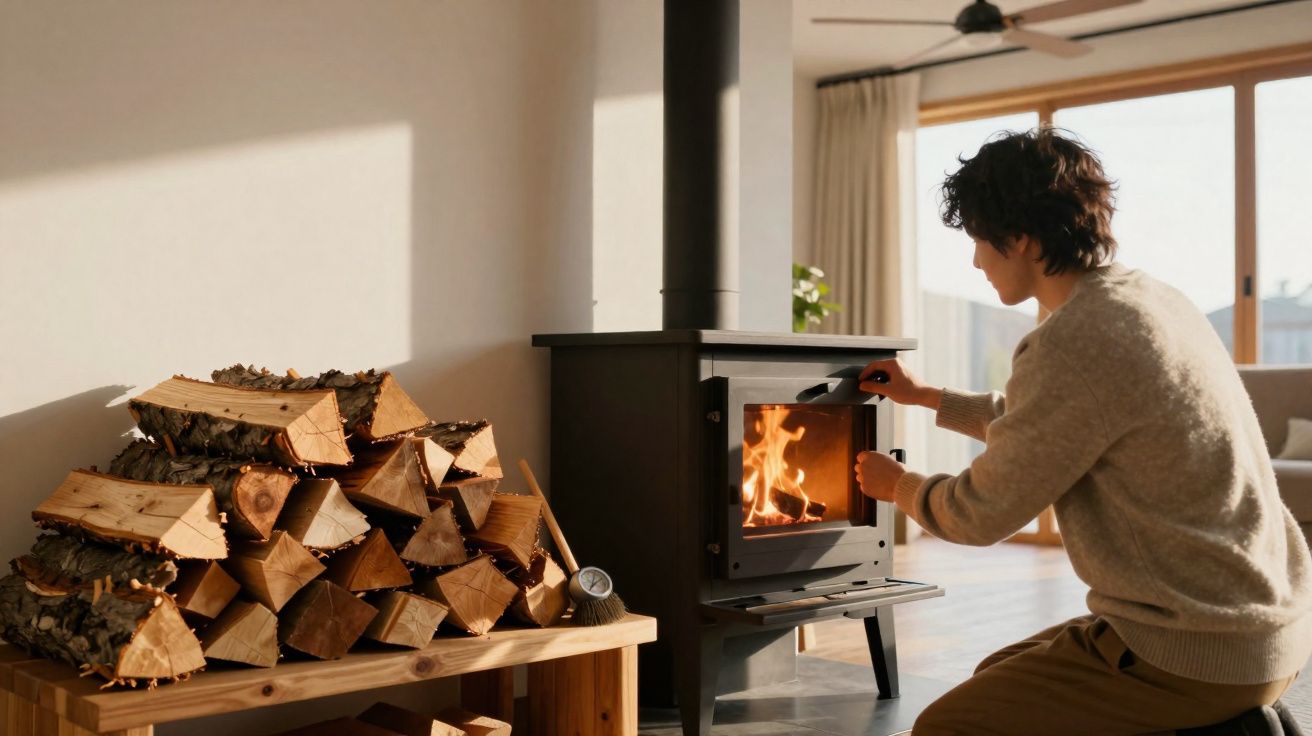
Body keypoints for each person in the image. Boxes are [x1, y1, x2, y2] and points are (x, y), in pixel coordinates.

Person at [854, 128, 1312, 735]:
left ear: (1018, 239)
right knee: (997, 671)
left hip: (1200, 647)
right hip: (1265, 624)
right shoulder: (1150, 299)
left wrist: (898, 486)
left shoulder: (1075, 340)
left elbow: (978, 514)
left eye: (977, 242)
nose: (974, 262)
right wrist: (927, 397)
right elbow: (1058, 426)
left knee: (947, 727)